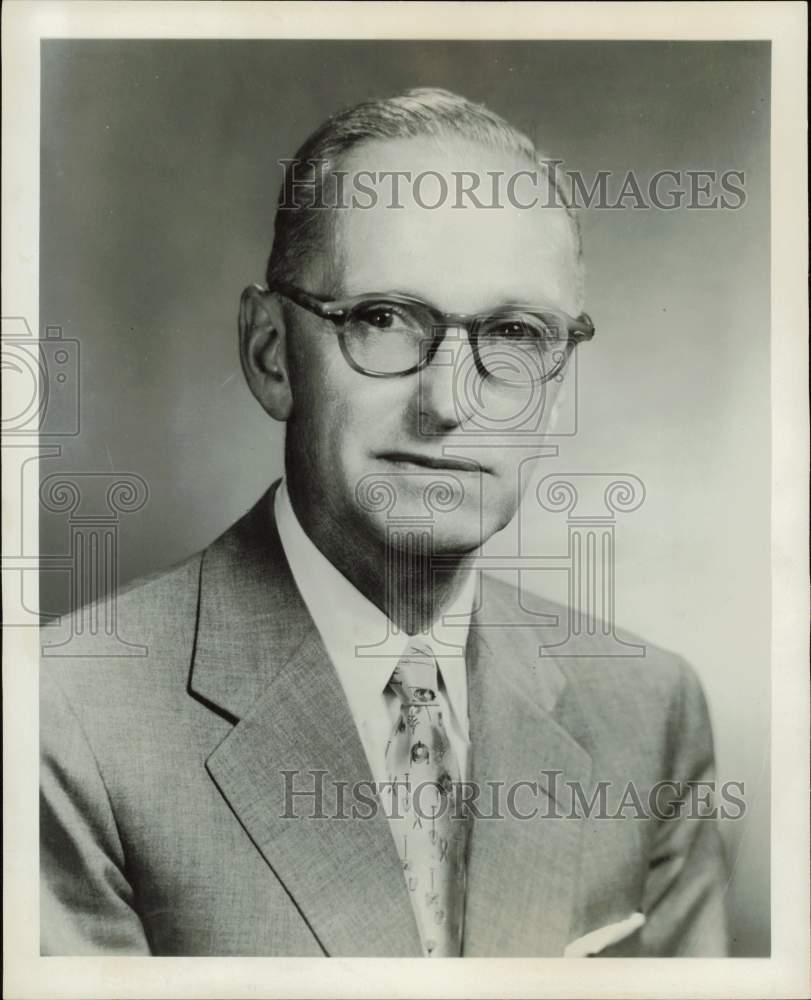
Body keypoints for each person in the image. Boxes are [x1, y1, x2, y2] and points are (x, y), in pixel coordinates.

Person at [40, 88, 729, 957]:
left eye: (513, 334)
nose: (447, 403)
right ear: (270, 354)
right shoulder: (63, 720)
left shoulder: (648, 711)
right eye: (383, 319)